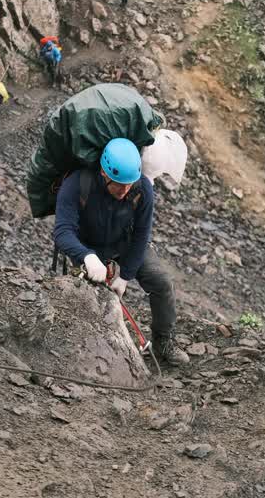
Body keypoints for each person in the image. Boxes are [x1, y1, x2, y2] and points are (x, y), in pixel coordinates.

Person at [52, 138, 184, 365]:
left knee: (161, 282)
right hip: (87, 246)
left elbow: (142, 235)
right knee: (86, 298)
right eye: (118, 184)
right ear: (104, 173)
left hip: (125, 243)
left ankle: (163, 341)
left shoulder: (142, 189)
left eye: (129, 184)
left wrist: (125, 276)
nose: (124, 190)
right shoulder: (77, 184)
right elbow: (63, 232)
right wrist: (87, 256)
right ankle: (80, 347)